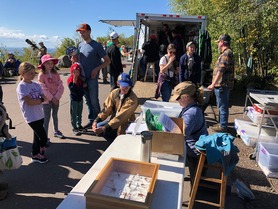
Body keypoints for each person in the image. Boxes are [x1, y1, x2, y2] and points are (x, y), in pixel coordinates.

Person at [171, 81, 208, 187]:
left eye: (178, 98)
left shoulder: (191, 113)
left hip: (195, 154)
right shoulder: (192, 107)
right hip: (196, 149)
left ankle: (195, 191)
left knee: (197, 184)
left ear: (186, 97)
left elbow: (180, 134)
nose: (177, 101)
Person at [76, 23, 111, 129]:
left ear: (89, 32)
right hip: (82, 77)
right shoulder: (80, 45)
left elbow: (107, 61)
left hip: (92, 78)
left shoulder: (96, 45)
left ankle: (98, 122)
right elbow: (78, 60)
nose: (81, 34)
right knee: (87, 101)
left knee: (94, 100)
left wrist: (96, 69)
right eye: (80, 32)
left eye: (83, 31)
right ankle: (92, 120)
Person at [16, 62, 48, 163]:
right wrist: (40, 100)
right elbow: (29, 102)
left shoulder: (36, 85)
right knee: (43, 137)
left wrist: (40, 100)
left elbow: (44, 97)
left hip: (39, 114)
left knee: (37, 136)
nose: (33, 75)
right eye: (30, 73)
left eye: (34, 73)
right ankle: (40, 149)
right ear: (22, 73)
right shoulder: (22, 86)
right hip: (31, 116)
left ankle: (35, 154)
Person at [92, 73, 139, 142]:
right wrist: (96, 120)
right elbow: (107, 108)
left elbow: (121, 117)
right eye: (123, 86)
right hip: (114, 121)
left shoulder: (133, 99)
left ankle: (117, 143)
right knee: (98, 125)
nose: (126, 89)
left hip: (125, 123)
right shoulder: (114, 93)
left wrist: (105, 128)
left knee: (106, 130)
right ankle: (113, 141)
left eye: (128, 86)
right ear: (118, 84)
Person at [207, 34, 234, 132]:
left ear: (222, 42)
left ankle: (222, 126)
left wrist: (213, 84)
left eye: (219, 42)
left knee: (223, 106)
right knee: (221, 105)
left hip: (222, 85)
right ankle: (221, 124)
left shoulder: (227, 53)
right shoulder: (224, 53)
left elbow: (221, 70)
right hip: (221, 85)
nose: (218, 44)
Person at [38, 54, 65, 141]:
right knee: (46, 118)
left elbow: (60, 85)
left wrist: (57, 97)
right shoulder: (42, 75)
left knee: (55, 115)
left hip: (56, 99)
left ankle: (56, 131)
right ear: (43, 64)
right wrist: (51, 98)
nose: (50, 65)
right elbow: (43, 88)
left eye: (51, 63)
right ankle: (44, 136)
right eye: (48, 63)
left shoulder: (55, 73)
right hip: (46, 101)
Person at [67, 63, 85, 136]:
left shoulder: (80, 80)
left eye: (77, 72)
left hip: (80, 99)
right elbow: (72, 89)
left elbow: (82, 88)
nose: (76, 74)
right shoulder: (70, 80)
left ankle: (79, 125)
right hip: (74, 99)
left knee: (79, 113)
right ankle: (74, 127)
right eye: (74, 72)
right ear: (71, 72)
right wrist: (74, 82)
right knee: (74, 114)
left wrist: (84, 86)